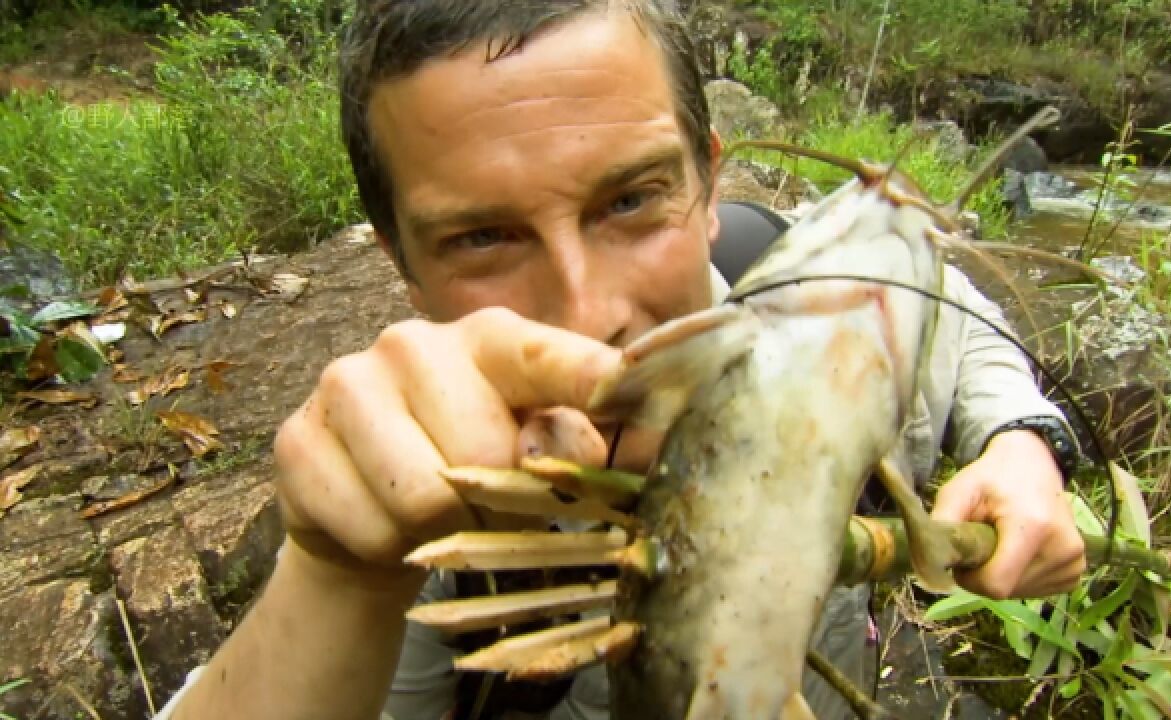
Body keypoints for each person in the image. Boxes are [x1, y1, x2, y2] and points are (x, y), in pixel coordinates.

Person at [160, 1, 1086, 718]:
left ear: (710, 183)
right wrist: (338, 576)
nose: (590, 311)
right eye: (484, 237)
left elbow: (955, 309)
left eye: (632, 201)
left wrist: (1023, 439)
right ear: (403, 266)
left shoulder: (804, 286)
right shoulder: (425, 490)